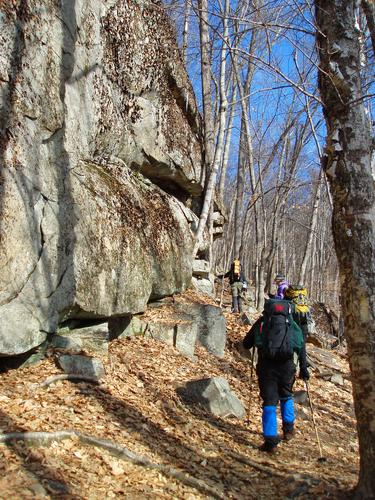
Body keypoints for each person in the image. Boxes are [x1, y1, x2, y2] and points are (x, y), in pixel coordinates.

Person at [243, 296, 307, 453]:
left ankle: (271, 441)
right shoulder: (291, 324)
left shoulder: (263, 322)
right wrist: (304, 369)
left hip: (267, 367)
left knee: (270, 402)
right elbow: (301, 346)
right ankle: (289, 430)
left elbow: (246, 343)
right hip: (287, 366)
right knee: (287, 395)